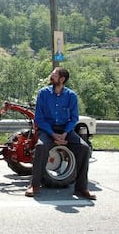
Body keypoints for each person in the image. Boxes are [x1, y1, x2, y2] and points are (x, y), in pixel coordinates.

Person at [25, 67, 96, 200]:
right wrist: (52, 134)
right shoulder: (43, 93)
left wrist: (64, 134)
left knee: (84, 148)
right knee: (41, 147)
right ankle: (34, 185)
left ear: (62, 79)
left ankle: (81, 188)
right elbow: (39, 118)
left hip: (65, 130)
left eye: (54, 74)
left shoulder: (71, 95)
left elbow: (74, 118)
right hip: (47, 130)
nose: (51, 76)